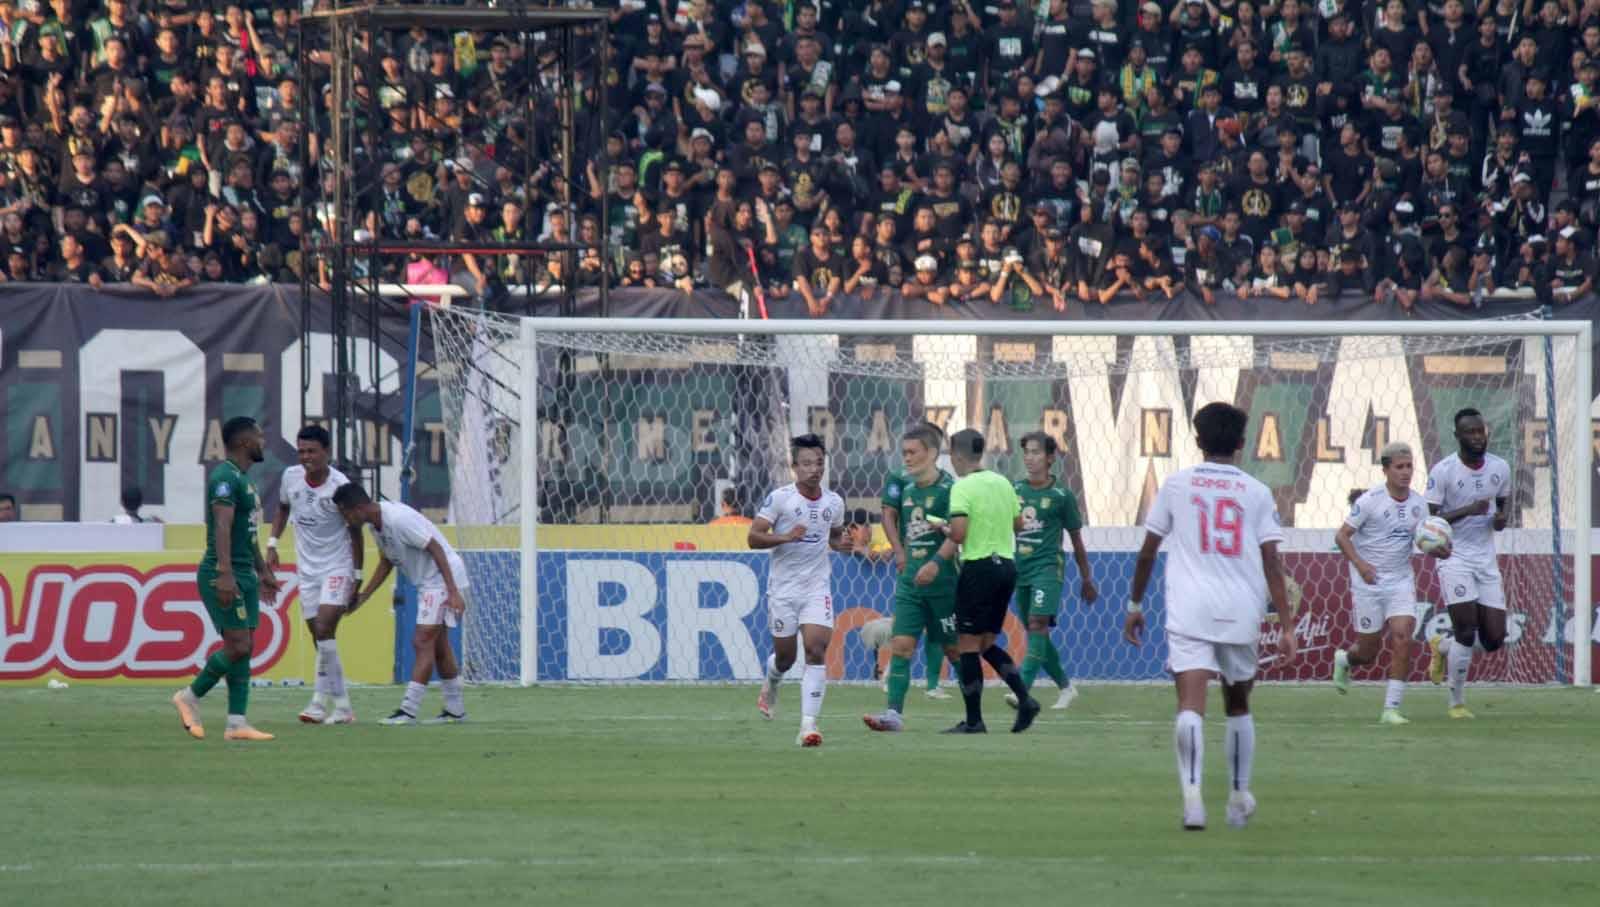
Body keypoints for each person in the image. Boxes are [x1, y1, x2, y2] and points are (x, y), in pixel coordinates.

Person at [1124, 402, 1296, 830]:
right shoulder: (1257, 491)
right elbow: (1272, 562)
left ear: (1198, 441)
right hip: (1241, 608)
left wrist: (1135, 605)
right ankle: (1238, 795)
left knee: (1190, 704)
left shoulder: (1178, 485)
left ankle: (1193, 800)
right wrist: (1288, 624)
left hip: (1190, 607)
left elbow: (1148, 550)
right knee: (1238, 705)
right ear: (1241, 444)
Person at [170, 416, 283, 742]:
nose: (263, 443)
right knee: (239, 645)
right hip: (224, 573)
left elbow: (246, 533)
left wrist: (263, 571)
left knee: (245, 648)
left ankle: (237, 723)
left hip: (244, 572)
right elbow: (221, 526)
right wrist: (224, 573)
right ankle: (189, 696)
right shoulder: (224, 477)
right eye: (260, 437)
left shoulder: (244, 479)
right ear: (246, 442)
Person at [1333, 442, 1450, 724]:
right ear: (1385, 470)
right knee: (1367, 652)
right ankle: (1345, 660)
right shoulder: (1370, 500)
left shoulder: (1419, 504)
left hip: (1400, 580)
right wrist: (1361, 566)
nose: (1406, 472)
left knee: (1402, 636)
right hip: (1368, 582)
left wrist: (1438, 549)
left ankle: (1391, 709)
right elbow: (1342, 536)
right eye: (1399, 467)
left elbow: (1422, 540)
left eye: (1409, 466)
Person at [335, 483, 471, 725]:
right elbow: (386, 562)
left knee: (422, 640)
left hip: (441, 578)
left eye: (345, 514)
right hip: (430, 582)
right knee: (439, 647)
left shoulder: (398, 520)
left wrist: (452, 591)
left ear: (357, 509)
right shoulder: (376, 526)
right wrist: (364, 596)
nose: (345, 520)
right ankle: (456, 710)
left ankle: (408, 710)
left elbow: (436, 548)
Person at [750, 434, 852, 747]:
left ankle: (808, 726)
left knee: (816, 649)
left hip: (816, 587)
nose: (814, 469)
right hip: (783, 589)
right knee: (785, 657)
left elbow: (833, 538)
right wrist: (785, 538)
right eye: (806, 463)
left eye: (819, 462)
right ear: (794, 466)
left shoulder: (834, 502)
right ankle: (772, 683)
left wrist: (844, 545)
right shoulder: (780, 498)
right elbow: (753, 538)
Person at [932, 429, 1035, 734]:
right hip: (1006, 567)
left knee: (966, 644)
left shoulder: (962, 488)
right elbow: (1018, 523)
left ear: (958, 455)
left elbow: (960, 534)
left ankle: (974, 721)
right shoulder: (1002, 482)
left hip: (979, 568)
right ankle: (1025, 701)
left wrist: (943, 529)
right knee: (987, 642)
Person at [863, 424, 963, 732]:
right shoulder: (901, 483)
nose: (905, 458)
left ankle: (974, 712)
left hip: (944, 582)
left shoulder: (951, 489)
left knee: (953, 649)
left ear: (932, 453)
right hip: (909, 581)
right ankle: (893, 714)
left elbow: (958, 533)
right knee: (902, 645)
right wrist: (899, 551)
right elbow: (889, 515)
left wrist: (935, 563)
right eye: (903, 452)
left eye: (912, 452)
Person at [269, 425, 364, 725]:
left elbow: (356, 530)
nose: (306, 457)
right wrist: (272, 544)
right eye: (301, 451)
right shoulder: (291, 477)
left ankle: (335, 705)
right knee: (321, 636)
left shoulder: (340, 485)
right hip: (307, 569)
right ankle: (326, 705)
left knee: (324, 627)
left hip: (337, 566)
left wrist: (358, 577)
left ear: (327, 452)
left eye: (312, 451)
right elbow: (283, 509)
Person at [1425, 408, 1511, 720]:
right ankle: (1456, 703)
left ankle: (1443, 646)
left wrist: (1500, 520)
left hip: (1485, 559)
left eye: (1481, 431)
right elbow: (1429, 519)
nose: (1477, 437)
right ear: (1458, 436)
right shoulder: (1443, 471)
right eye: (1470, 432)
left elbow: (1501, 514)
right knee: (1466, 628)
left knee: (1494, 639)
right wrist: (1467, 510)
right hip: (1454, 556)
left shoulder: (1500, 468)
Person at [1003, 432, 1098, 714]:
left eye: (1036, 452)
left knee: (1037, 624)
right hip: (1020, 569)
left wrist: (1086, 577)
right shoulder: (1014, 490)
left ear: (1050, 457)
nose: (1030, 458)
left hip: (1048, 567)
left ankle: (1022, 691)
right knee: (1037, 634)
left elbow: (1077, 540)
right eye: (1027, 452)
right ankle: (1067, 688)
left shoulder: (1061, 496)